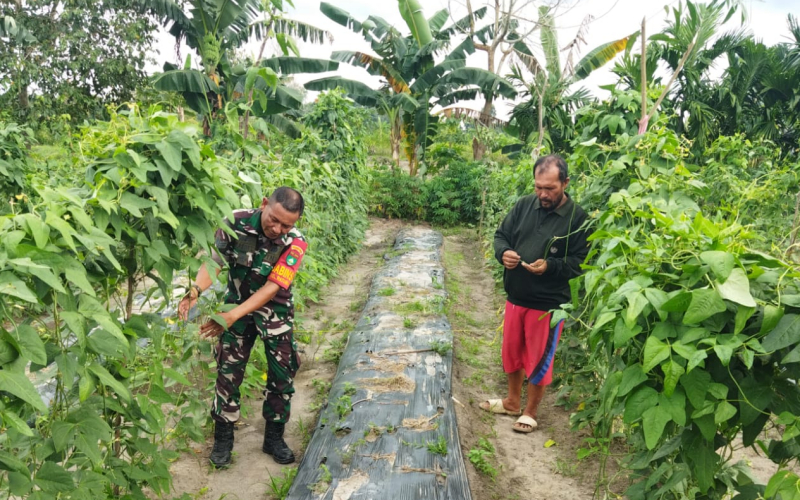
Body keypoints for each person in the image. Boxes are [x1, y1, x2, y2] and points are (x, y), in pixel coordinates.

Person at [178, 187, 307, 467]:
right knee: (228, 373)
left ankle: (274, 437)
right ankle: (223, 440)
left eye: (287, 224)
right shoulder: (235, 223)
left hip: (275, 313)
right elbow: (213, 261)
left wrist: (231, 315)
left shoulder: (295, 242)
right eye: (274, 219)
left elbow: (272, 288)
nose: (278, 228)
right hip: (236, 307)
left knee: (282, 376)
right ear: (264, 204)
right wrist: (195, 290)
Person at [481, 155, 590, 433]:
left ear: (565, 183)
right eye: (538, 187)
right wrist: (502, 253)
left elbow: (581, 262)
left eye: (550, 188)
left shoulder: (577, 219)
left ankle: (530, 412)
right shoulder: (524, 206)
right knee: (512, 352)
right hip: (516, 297)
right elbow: (501, 235)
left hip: (548, 304)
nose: (543, 194)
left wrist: (551, 266)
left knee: (539, 358)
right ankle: (512, 402)